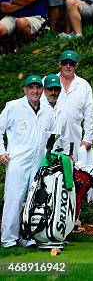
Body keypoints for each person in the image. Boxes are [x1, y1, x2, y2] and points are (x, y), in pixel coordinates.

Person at [0, 75, 55, 248]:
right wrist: (2, 152)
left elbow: (52, 137)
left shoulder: (48, 111)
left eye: (38, 88)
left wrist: (50, 156)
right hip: (17, 161)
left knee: (34, 201)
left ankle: (28, 237)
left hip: (38, 163)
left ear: (42, 90)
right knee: (14, 199)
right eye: (31, 88)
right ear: (25, 90)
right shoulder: (14, 106)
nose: (35, 91)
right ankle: (8, 238)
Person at [54, 49, 93, 168]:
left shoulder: (84, 86)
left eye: (71, 63)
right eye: (65, 63)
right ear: (59, 64)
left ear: (76, 65)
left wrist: (88, 138)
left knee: (76, 175)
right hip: (52, 136)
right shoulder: (48, 81)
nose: (68, 66)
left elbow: (89, 115)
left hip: (75, 138)